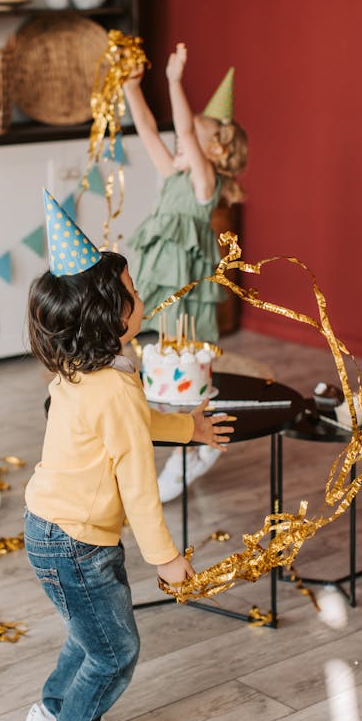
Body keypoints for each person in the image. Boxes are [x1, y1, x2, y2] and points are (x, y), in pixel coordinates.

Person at [21, 191, 234, 721]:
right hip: (77, 541)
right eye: (134, 291)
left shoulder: (82, 371)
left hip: (53, 528)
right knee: (116, 649)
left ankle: (49, 713)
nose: (143, 298)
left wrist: (185, 428)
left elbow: (129, 426)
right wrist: (165, 558)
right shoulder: (114, 386)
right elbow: (139, 486)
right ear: (112, 313)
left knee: (90, 636)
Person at [124, 43, 248, 501]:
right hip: (161, 279)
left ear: (212, 150)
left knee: (190, 366)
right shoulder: (174, 175)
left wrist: (175, 81)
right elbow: (146, 130)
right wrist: (132, 89)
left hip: (187, 288)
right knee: (160, 362)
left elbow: (184, 133)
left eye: (192, 138)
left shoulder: (204, 182)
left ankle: (197, 442)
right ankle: (174, 436)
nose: (180, 143)